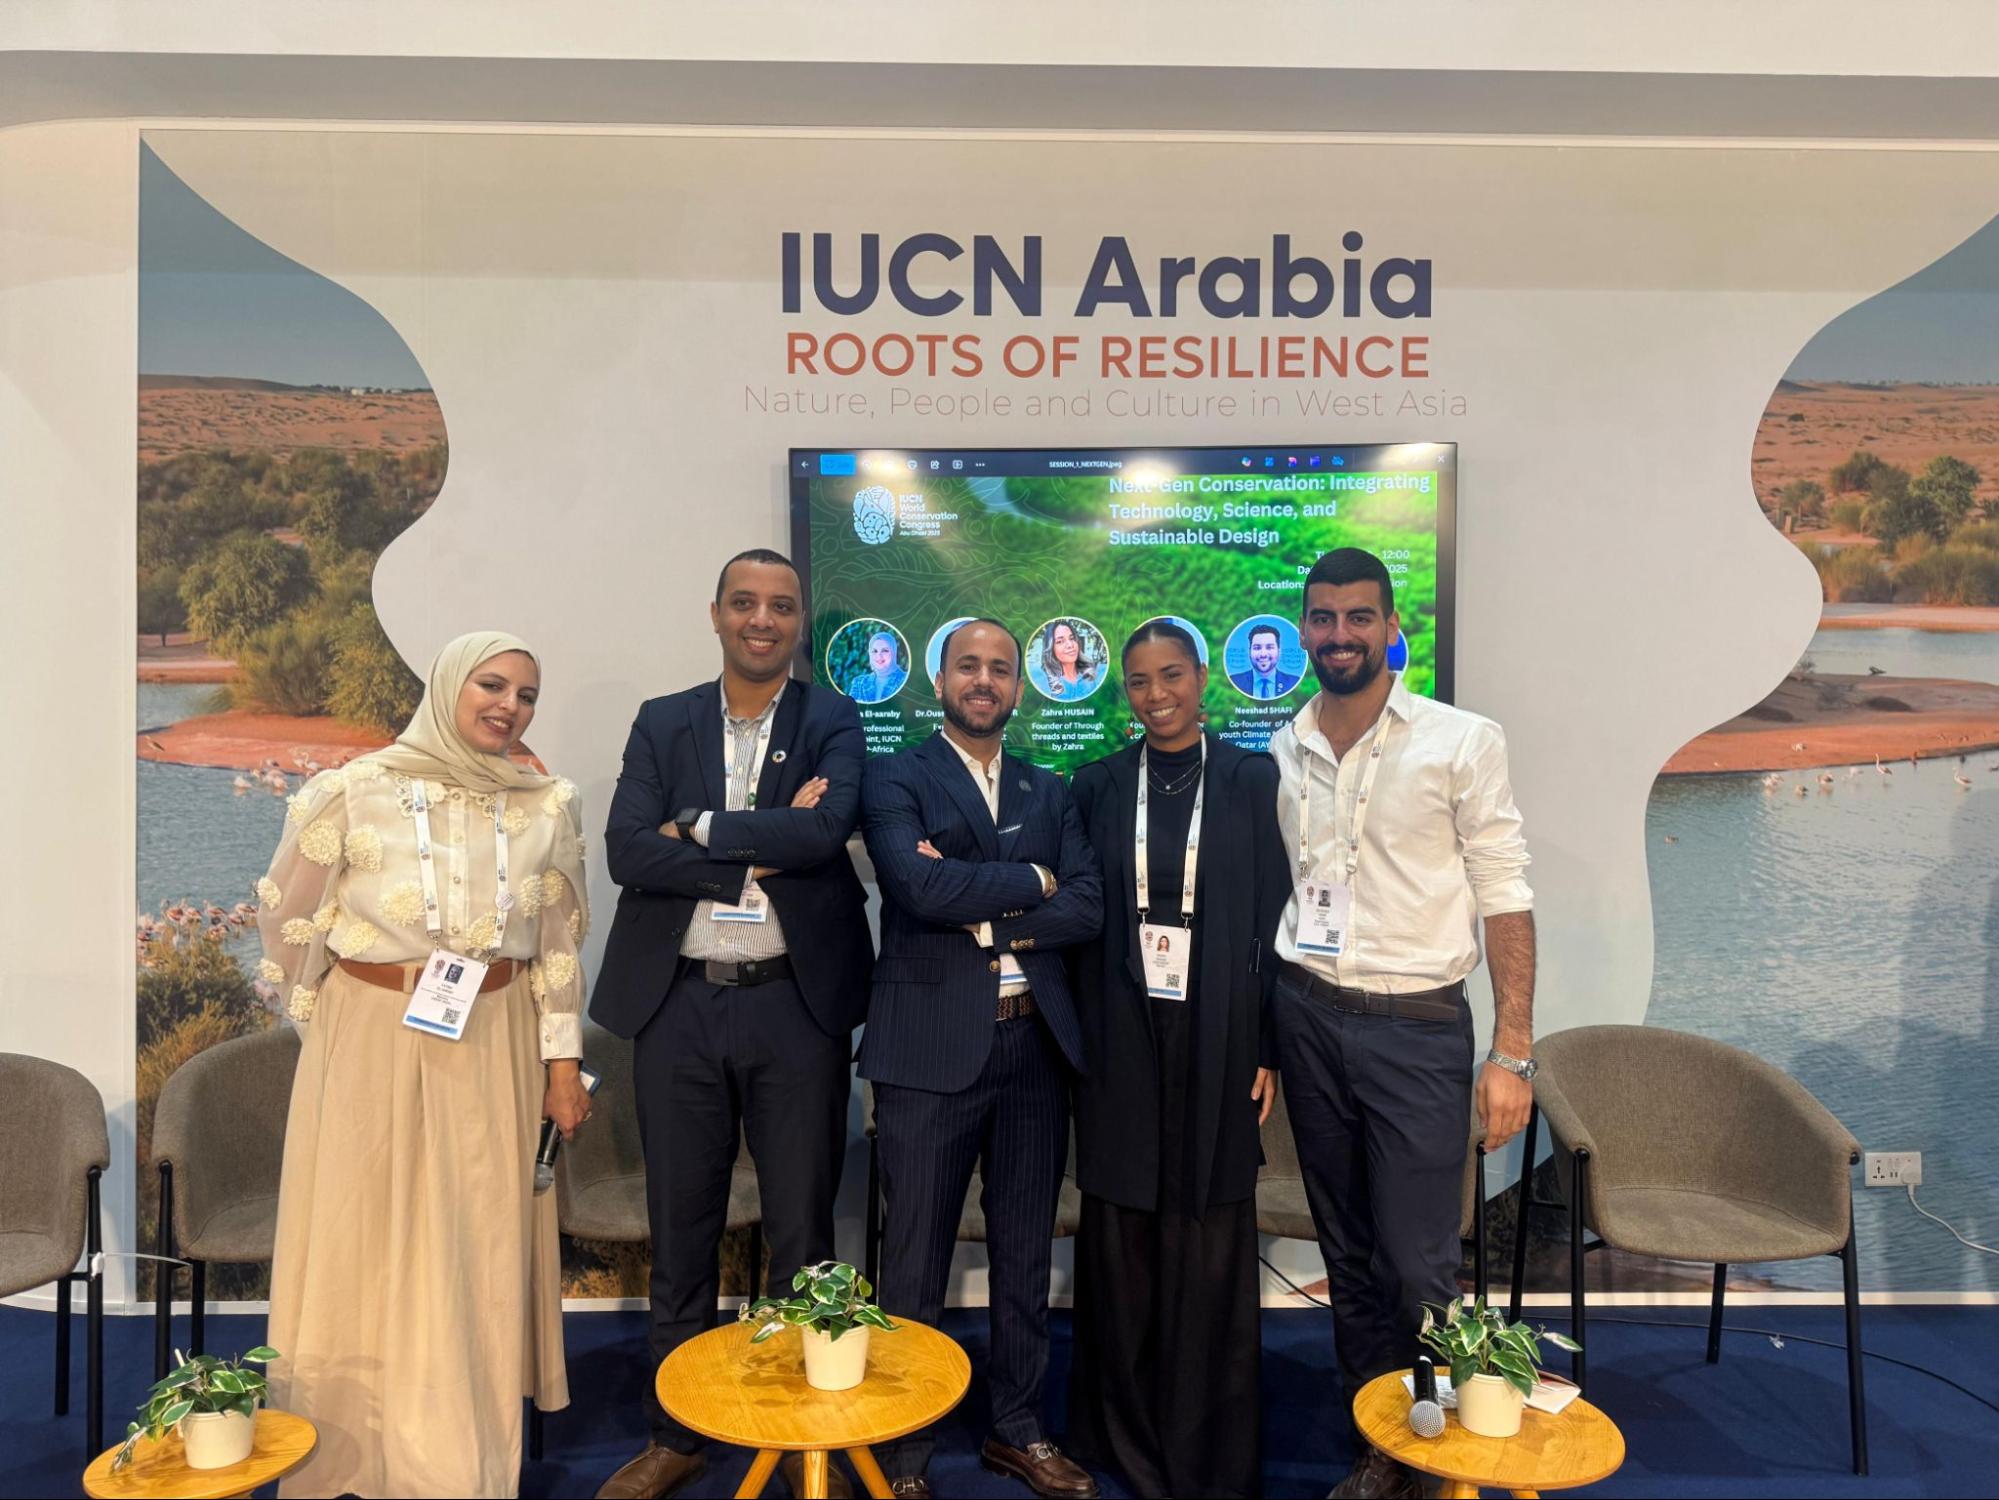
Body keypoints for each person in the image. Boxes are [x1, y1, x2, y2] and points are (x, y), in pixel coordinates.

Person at [258, 632, 590, 1499]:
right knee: (358, 1235)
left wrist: (562, 1064)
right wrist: (331, 1021)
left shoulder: (549, 804)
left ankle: (458, 1461)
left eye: (525, 694)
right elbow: (286, 920)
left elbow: (557, 948)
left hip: (495, 1041)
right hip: (368, 1035)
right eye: (491, 684)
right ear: (448, 684)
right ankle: (346, 1454)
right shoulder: (350, 791)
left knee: (472, 1241)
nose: (508, 706)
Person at [592, 549, 873, 1500]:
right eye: (745, 604)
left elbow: (824, 835)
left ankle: (802, 1429)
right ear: (714, 613)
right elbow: (629, 850)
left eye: (782, 607)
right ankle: (674, 1435)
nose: (763, 620)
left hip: (798, 1004)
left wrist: (701, 828)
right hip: (678, 1004)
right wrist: (755, 841)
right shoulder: (662, 720)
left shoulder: (833, 717)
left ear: (801, 623)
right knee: (683, 1228)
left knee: (802, 1229)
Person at [1268, 549, 1537, 1500]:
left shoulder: (1462, 740)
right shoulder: (1285, 740)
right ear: (1302, 630)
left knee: (1417, 1256)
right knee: (1341, 1247)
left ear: (1389, 627)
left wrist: (1511, 1051)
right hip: (1305, 1015)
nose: (1338, 635)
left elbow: (1505, 892)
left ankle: (1437, 1453)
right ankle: (1380, 1439)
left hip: (1417, 1028)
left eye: (1357, 618)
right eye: (1322, 618)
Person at [859, 618, 1105, 1500]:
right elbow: (915, 886)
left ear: (1021, 685)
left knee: (1023, 1254)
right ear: (940, 679)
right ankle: (904, 1450)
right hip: (926, 1048)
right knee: (914, 1260)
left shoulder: (1050, 785)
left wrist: (988, 901)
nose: (984, 680)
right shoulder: (893, 774)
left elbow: (1086, 905)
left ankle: (1017, 1430)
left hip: (1034, 1042)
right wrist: (1031, 878)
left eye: (1001, 668)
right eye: (968, 665)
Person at [1065, 619, 1289, 1500]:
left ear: (1201, 678)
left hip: (1220, 1028)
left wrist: (1267, 1043)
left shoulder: (1249, 780)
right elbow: (1081, 914)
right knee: (1121, 1227)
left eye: (1170, 677)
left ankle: (1207, 1441)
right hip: (1120, 1024)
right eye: (1138, 683)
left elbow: (1277, 922)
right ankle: (1121, 1434)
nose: (1155, 696)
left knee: (1205, 1228)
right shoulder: (1097, 784)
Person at [1228, 622, 1301, 699]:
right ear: (1249, 651)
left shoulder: (1294, 683)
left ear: (1278, 651)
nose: (1263, 654)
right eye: (1257, 648)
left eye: (1269, 647)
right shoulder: (1234, 682)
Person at [1035, 619, 1099, 700]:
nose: (1070, 645)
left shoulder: (1093, 674)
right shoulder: (1043, 684)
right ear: (1050, 649)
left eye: (1072, 638)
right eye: (1060, 641)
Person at [848, 628, 909, 703]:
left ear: (893, 652)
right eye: (875, 651)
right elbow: (850, 711)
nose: (879, 656)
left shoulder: (905, 679)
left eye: (884, 651)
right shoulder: (859, 683)